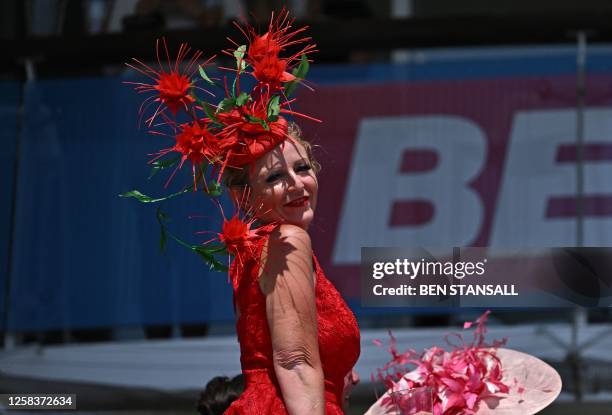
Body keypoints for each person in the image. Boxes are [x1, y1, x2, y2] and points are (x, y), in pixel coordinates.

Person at [222, 122, 361, 414]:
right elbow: (295, 363)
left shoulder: (254, 250)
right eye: (274, 177)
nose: (297, 184)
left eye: (302, 168)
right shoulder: (287, 240)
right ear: (241, 197)